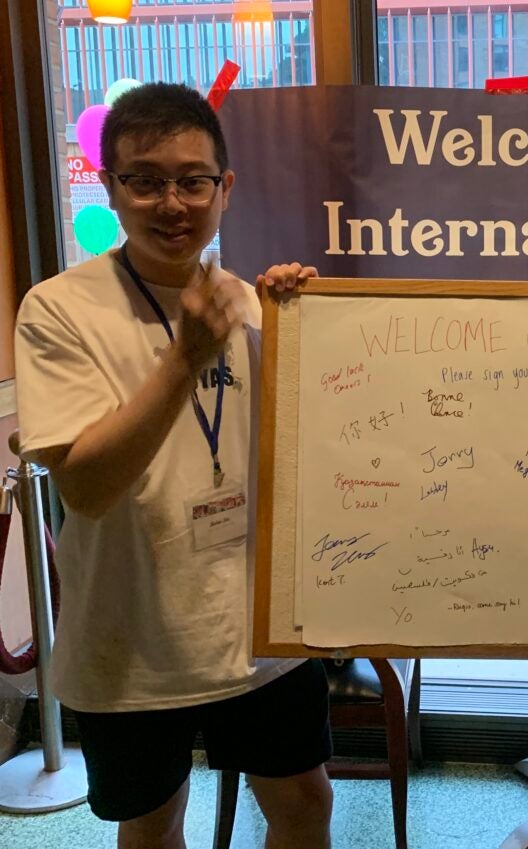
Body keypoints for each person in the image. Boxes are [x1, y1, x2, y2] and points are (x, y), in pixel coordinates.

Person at [14, 82, 331, 849]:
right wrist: (183, 359)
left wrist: (314, 328)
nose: (172, 202)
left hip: (260, 633)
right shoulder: (57, 309)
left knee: (304, 803)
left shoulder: (253, 306)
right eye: (145, 180)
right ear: (110, 189)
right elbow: (85, 487)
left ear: (225, 190)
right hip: (132, 640)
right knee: (153, 823)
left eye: (193, 180)